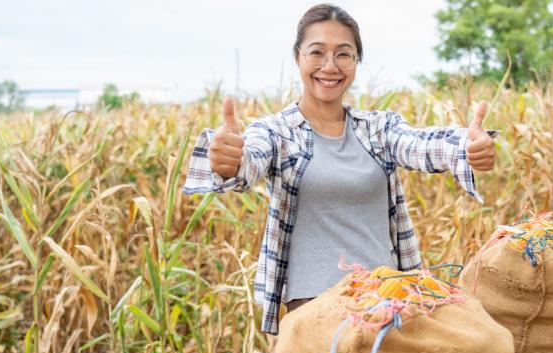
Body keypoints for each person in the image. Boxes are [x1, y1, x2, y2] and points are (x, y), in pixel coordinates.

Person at [183, 3, 497, 335]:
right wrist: (228, 162)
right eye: (316, 53)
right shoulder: (277, 132)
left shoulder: (377, 129)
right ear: (298, 58)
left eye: (344, 54)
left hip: (386, 301)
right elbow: (249, 160)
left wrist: (466, 148)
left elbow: (420, 145)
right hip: (314, 309)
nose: (330, 66)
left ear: (356, 62)